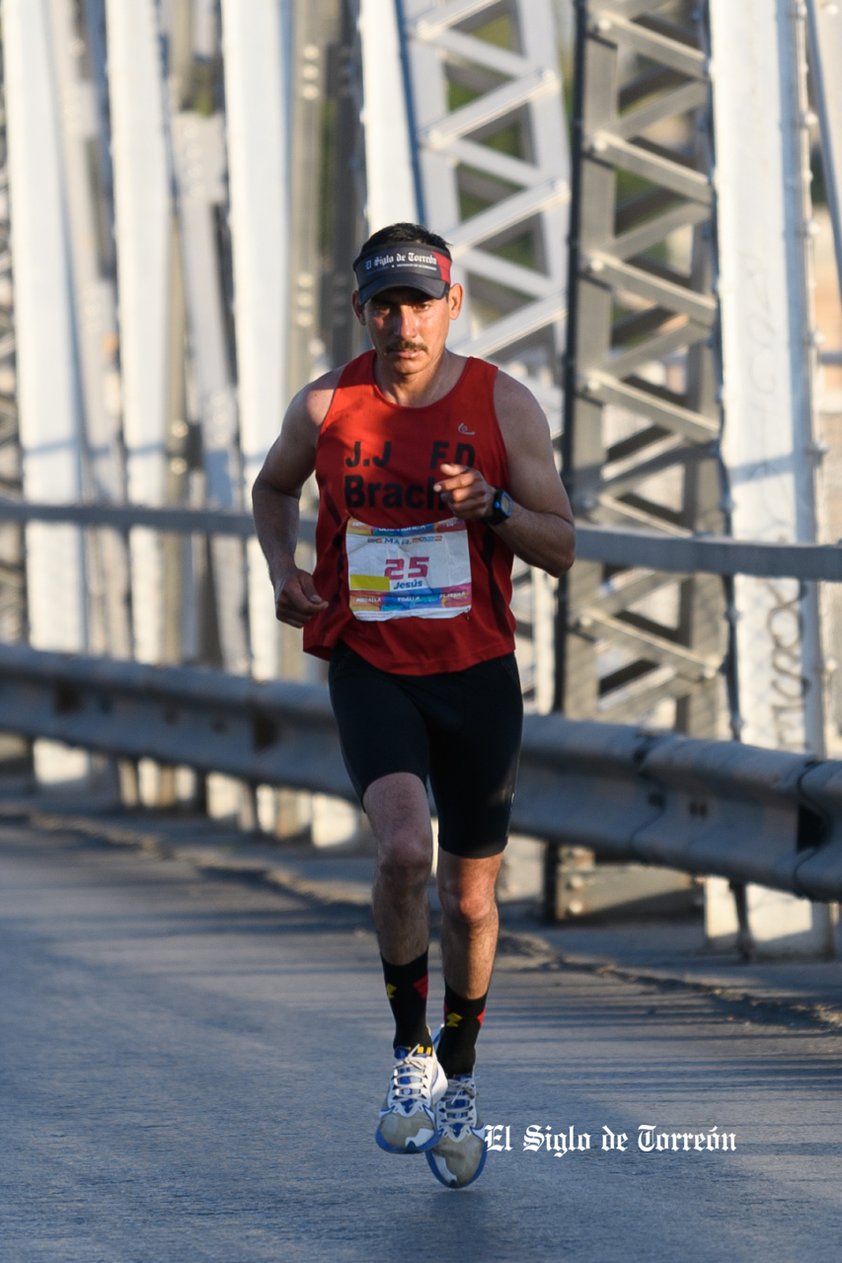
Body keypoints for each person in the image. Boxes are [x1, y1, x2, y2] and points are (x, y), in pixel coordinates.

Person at [252, 222, 575, 1189]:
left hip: (475, 672)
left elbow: (561, 544)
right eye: (385, 306)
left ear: (453, 304)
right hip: (371, 660)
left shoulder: (501, 404)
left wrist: (493, 508)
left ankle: (462, 1071)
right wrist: (285, 565)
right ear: (362, 310)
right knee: (403, 848)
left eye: (420, 304)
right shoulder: (327, 404)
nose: (404, 324)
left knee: (470, 898)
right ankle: (410, 1055)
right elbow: (272, 489)